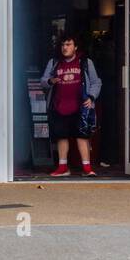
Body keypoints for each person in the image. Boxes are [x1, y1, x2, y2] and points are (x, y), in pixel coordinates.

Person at [40, 35, 102, 177]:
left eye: (68, 44)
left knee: (82, 136)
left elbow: (96, 82)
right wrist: (50, 81)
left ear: (75, 47)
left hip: (80, 106)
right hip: (59, 105)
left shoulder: (85, 62)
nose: (65, 48)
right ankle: (62, 168)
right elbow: (43, 81)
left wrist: (92, 97)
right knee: (62, 136)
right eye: (63, 45)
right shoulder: (54, 62)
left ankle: (87, 168)